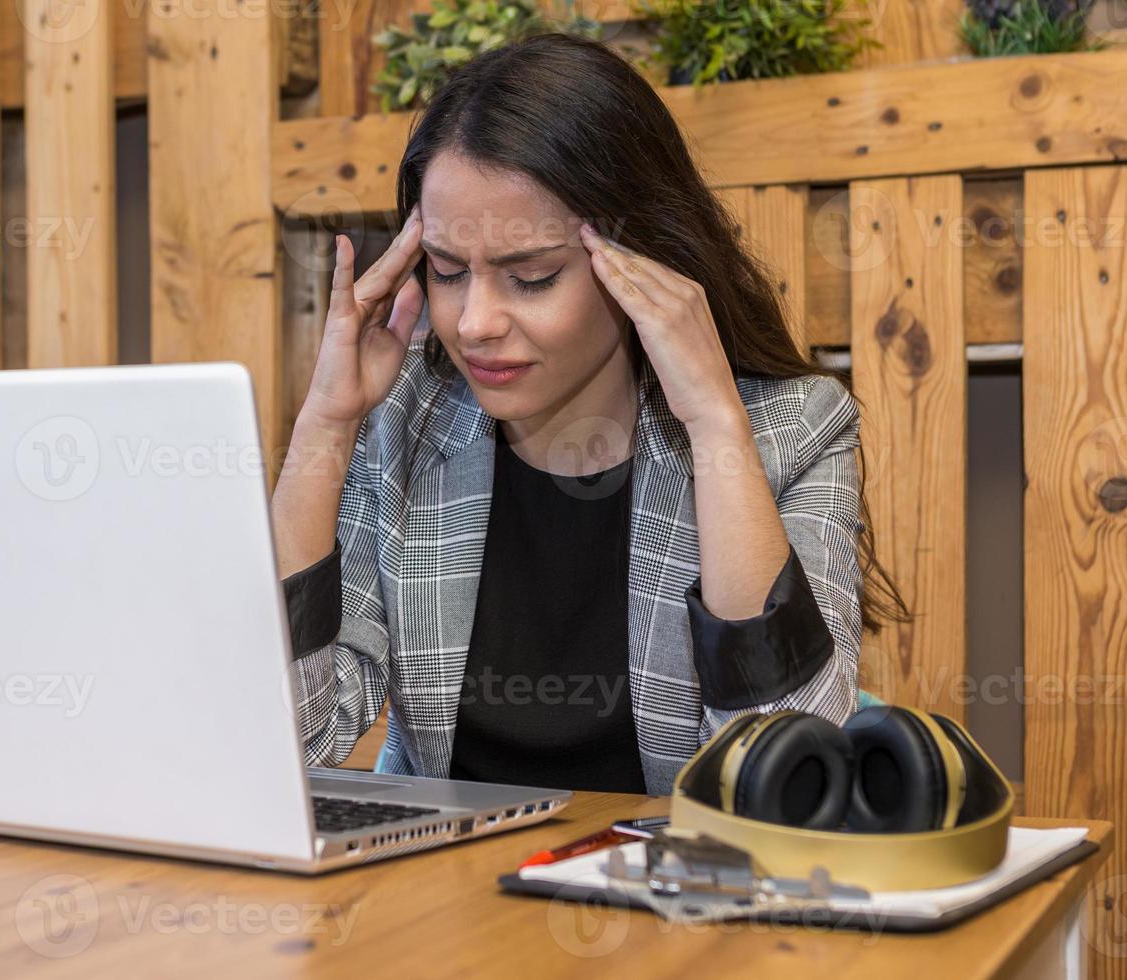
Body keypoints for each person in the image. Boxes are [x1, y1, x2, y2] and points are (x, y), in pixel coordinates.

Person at [269, 33, 907, 795]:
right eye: (446, 271)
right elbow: (292, 740)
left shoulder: (794, 430)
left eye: (531, 277)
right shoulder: (406, 416)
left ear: (641, 261)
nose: (475, 322)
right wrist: (324, 428)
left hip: (674, 897)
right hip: (445, 897)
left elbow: (786, 773)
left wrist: (712, 424)